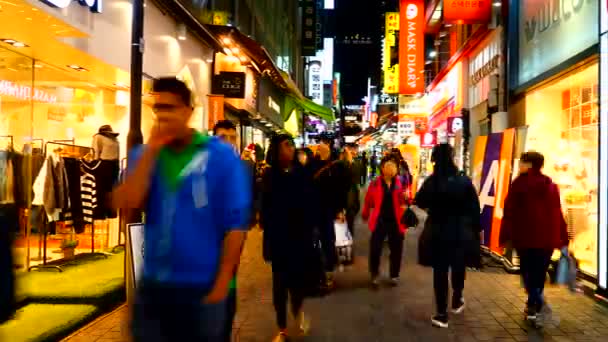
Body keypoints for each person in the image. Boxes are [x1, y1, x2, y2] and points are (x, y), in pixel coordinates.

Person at [113, 77, 251, 342]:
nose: (163, 115)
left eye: (170, 108)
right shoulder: (144, 155)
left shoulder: (219, 157)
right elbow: (126, 203)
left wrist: (222, 283)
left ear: (188, 111)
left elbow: (236, 224)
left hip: (202, 287)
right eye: (158, 109)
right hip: (154, 287)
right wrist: (152, 150)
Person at [414, 143, 481, 329]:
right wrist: (476, 229)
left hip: (438, 230)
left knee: (440, 271)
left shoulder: (431, 181)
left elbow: (419, 201)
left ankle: (441, 314)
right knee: (459, 265)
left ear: (434, 159)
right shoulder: (463, 180)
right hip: (460, 230)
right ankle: (457, 298)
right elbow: (475, 209)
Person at [499, 151, 569, 325]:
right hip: (546, 239)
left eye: (522, 162)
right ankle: (533, 304)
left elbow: (509, 211)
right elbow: (557, 213)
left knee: (528, 272)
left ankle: (535, 303)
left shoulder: (519, 184)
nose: (520, 165)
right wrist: (562, 237)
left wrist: (505, 234)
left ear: (529, 164)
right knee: (538, 273)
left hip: (525, 238)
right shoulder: (551, 185)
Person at [261, 134, 318, 342]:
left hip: (300, 239)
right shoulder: (269, 176)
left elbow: (311, 204)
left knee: (297, 284)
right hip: (278, 241)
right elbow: (265, 210)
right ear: (276, 150)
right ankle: (282, 328)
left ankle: (298, 309)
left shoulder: (302, 174)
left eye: (292, 145)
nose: (291, 149)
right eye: (286, 145)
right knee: (279, 286)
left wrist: (312, 230)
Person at [212, 122, 252, 342]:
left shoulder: (243, 168)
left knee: (229, 294)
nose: (228, 142)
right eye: (222, 137)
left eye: (231, 137)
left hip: (233, 245)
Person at [362, 156, 408, 287]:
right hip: (380, 221)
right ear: (383, 169)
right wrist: (365, 214)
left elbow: (404, 201)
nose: (391, 170)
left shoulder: (399, 183)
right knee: (375, 248)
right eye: (388, 167)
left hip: (396, 221)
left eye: (393, 168)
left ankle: (394, 274)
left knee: (397, 249)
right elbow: (368, 201)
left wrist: (405, 198)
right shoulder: (375, 183)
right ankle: (374, 273)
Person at [310, 138, 350, 288]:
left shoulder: (337, 166)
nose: (321, 149)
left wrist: (340, 209)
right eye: (319, 147)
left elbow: (342, 189)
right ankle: (317, 273)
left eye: (324, 147)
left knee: (328, 241)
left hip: (328, 209)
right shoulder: (312, 164)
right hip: (314, 209)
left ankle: (328, 273)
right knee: (313, 241)